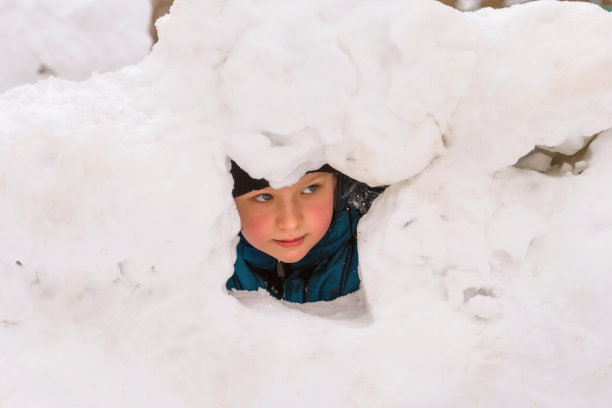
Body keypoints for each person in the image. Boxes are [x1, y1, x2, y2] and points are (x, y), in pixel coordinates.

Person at [226, 160, 384, 303]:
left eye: (310, 188)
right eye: (265, 196)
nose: (290, 222)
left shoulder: (380, 249)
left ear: (336, 184)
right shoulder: (213, 267)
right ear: (230, 201)